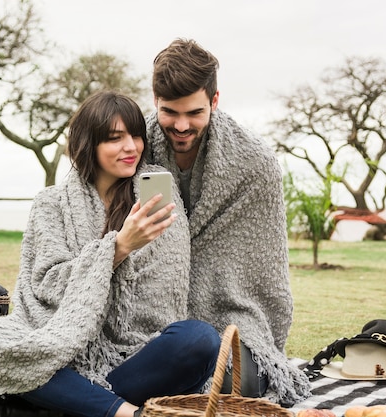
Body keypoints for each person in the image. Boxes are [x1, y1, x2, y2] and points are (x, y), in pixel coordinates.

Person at [0, 91, 221, 417]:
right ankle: (124, 412)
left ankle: (57, 407)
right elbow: (45, 285)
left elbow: (163, 301)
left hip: (133, 356)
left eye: (136, 135)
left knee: (198, 338)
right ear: (89, 144)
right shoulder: (51, 204)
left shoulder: (159, 200)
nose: (131, 147)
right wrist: (119, 247)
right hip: (60, 346)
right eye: (115, 138)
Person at [145, 38, 311, 406]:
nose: (182, 125)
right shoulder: (131, 146)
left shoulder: (255, 164)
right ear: (154, 99)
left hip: (231, 314)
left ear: (215, 101)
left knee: (237, 386)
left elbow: (266, 274)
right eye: (170, 112)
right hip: (147, 313)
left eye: (195, 112)